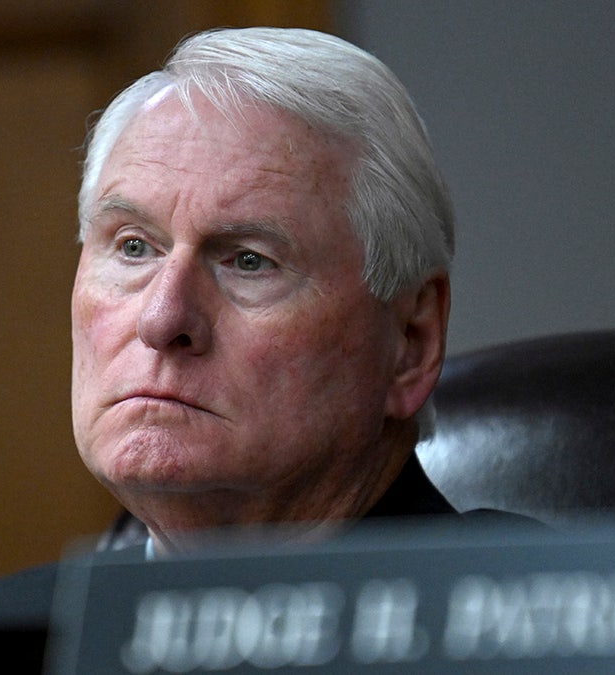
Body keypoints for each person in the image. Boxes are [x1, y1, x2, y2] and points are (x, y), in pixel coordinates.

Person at [70, 26, 460, 559]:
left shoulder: (531, 621)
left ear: (411, 345)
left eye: (249, 262)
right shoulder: (8, 637)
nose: (161, 320)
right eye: (134, 248)